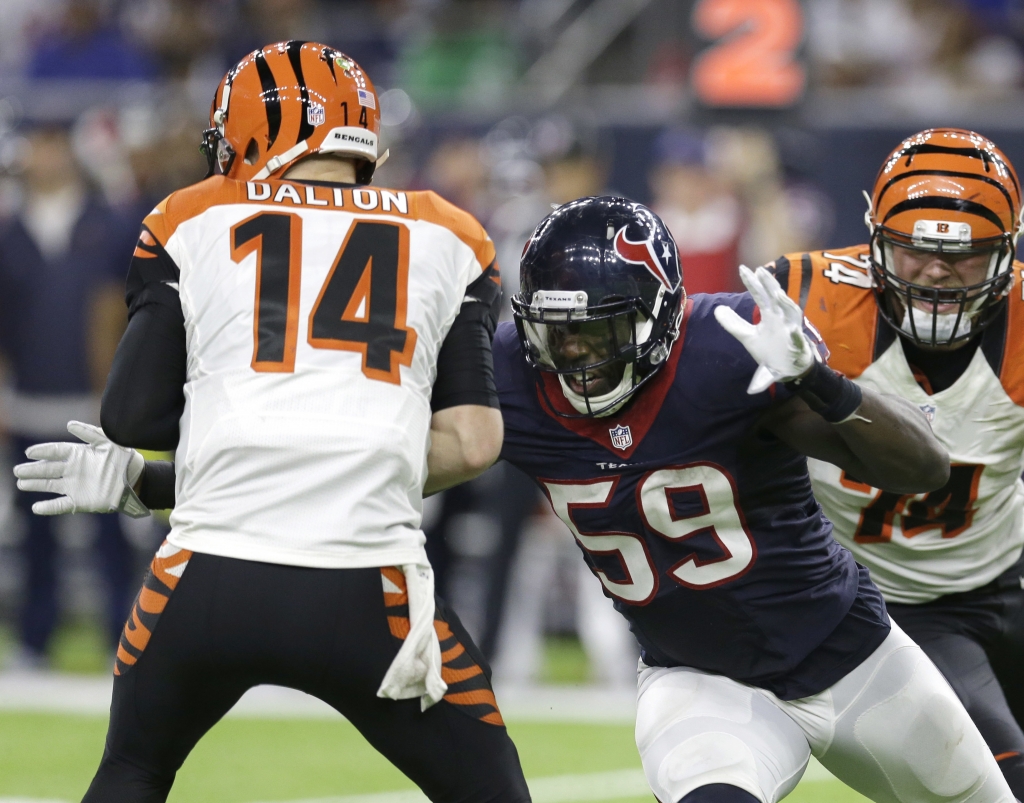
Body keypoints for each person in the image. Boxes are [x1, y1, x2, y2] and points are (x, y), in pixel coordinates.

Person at [46, 195, 1021, 803]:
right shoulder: (510, 378)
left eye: (596, 333)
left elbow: (923, 469)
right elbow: (350, 474)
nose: (574, 355)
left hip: (851, 657)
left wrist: (826, 384)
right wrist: (149, 483)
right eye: (555, 332)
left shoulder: (728, 349)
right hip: (698, 675)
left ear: (656, 316)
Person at [14, 42, 529, 803]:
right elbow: (474, 441)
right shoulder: (450, 233)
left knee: (132, 771)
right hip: (369, 588)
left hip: (206, 579)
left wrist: (153, 479)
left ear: (261, 131)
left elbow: (134, 415)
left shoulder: (193, 214)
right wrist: (349, 446)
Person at [766, 127, 1024, 798]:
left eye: (965, 255)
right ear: (876, 241)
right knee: (1002, 777)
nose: (936, 271)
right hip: (891, 602)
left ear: (1007, 252)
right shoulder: (807, 300)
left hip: (1008, 570)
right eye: (913, 251)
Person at [0, 122, 136, 667]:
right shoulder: (10, 232)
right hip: (29, 400)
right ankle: (35, 639)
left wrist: (118, 396)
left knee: (107, 528)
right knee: (35, 532)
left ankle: (119, 638)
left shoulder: (106, 225)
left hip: (92, 406)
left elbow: (123, 314)